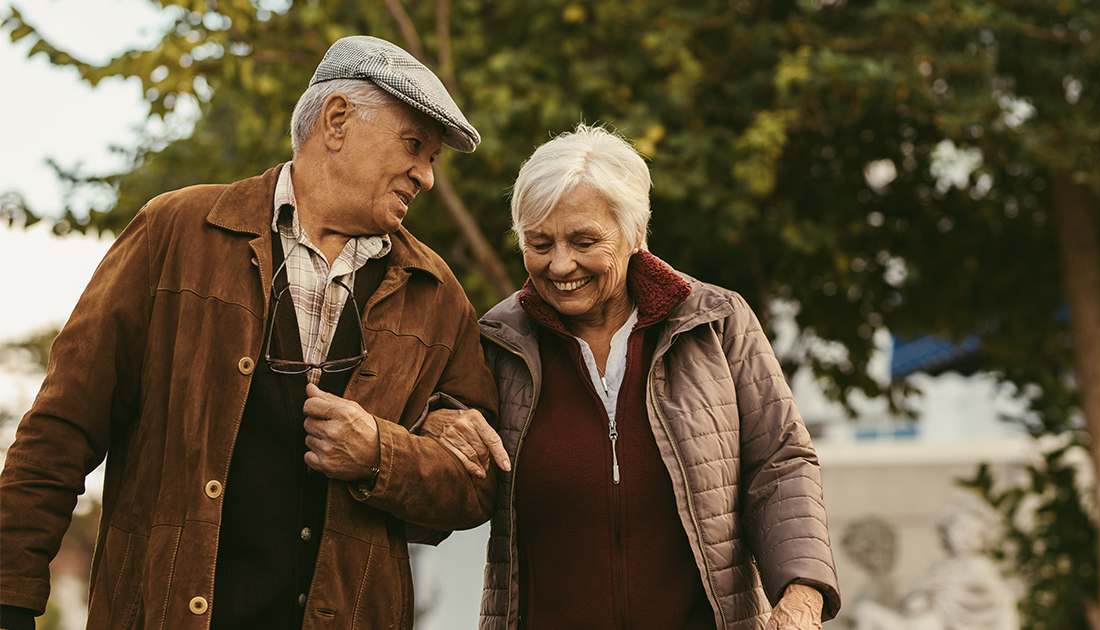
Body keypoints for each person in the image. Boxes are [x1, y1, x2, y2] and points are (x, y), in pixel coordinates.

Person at [0, 35, 501, 630]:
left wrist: (380, 454)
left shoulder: (438, 296)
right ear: (336, 120)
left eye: (432, 159)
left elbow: (476, 489)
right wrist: (11, 594)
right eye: (414, 146)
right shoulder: (175, 232)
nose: (425, 177)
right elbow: (61, 428)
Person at [423, 124, 840, 629]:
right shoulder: (496, 343)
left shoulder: (716, 322)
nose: (559, 265)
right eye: (539, 242)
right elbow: (447, 463)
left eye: (584, 241)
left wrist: (800, 594)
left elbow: (780, 462)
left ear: (634, 234)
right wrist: (435, 424)